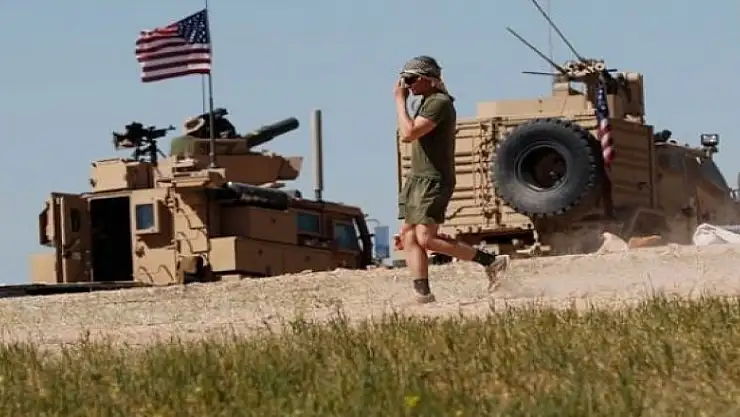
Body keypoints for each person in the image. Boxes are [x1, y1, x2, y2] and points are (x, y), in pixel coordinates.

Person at [394, 55, 510, 304]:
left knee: (426, 238)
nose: (407, 85)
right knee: (408, 236)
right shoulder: (426, 102)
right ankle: (422, 293)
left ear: (428, 79)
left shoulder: (439, 103)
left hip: (434, 179)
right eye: (404, 80)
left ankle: (491, 262)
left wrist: (399, 102)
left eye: (411, 79)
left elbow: (409, 133)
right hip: (418, 178)